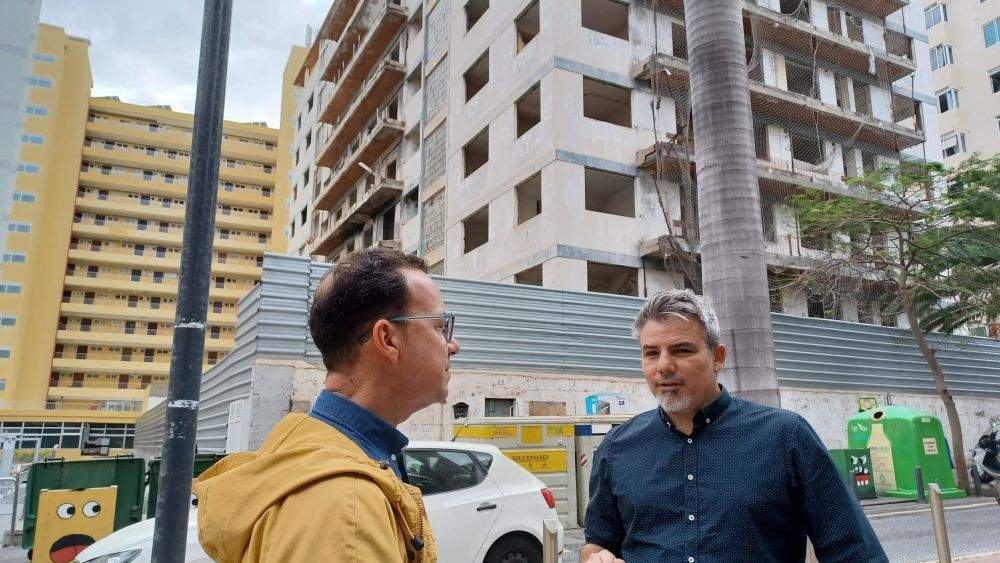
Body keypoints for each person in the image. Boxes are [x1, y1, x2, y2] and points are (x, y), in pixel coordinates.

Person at [581, 290, 887, 563]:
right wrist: (596, 557)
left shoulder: (785, 436)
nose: (663, 366)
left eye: (681, 350)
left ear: (717, 357)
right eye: (651, 353)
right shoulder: (617, 448)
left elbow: (853, 550)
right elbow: (597, 543)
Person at [195, 248, 460, 562]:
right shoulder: (346, 510)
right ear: (388, 339)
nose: (453, 345)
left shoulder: (303, 443)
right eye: (441, 328)